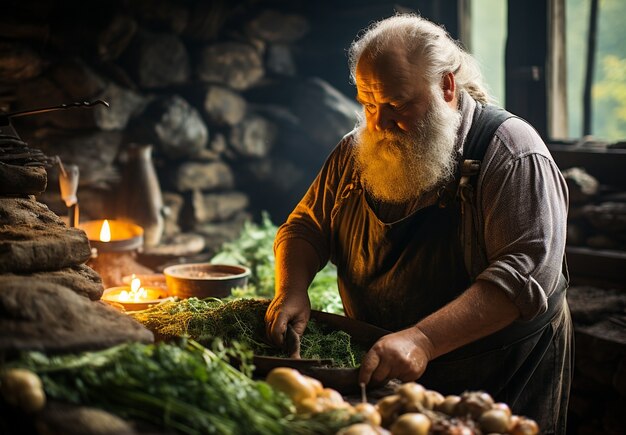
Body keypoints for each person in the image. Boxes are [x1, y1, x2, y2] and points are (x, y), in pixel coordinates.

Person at [264, 13, 572, 434]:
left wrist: (424, 339)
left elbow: (522, 279)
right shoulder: (354, 153)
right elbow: (304, 228)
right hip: (388, 371)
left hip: (499, 376)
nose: (380, 123)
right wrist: (291, 289)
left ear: (447, 86)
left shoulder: (512, 154)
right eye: (369, 105)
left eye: (397, 104)